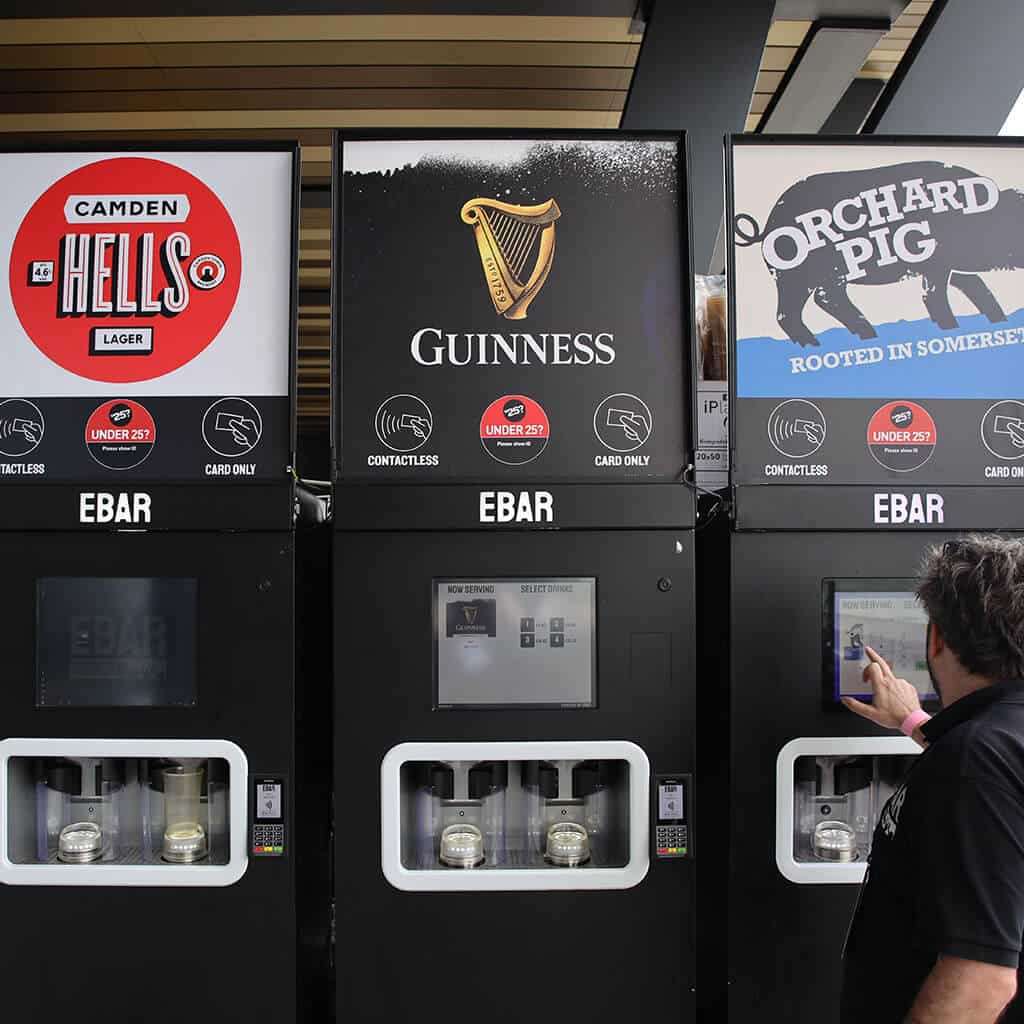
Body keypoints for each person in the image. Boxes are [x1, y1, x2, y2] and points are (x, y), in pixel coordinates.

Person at [841, 535, 1024, 1022]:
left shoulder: (977, 759)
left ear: (937, 638)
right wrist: (913, 723)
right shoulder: (996, 742)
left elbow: (982, 980)